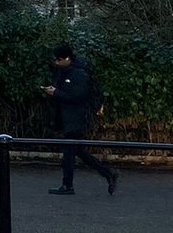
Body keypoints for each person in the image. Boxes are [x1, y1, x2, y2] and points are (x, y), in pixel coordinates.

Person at [42, 43, 117, 195]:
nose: (56, 63)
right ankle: (108, 173)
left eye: (59, 60)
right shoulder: (70, 72)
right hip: (71, 118)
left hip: (76, 118)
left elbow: (77, 96)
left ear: (67, 59)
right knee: (77, 151)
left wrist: (56, 93)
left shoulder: (78, 74)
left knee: (70, 152)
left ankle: (68, 185)